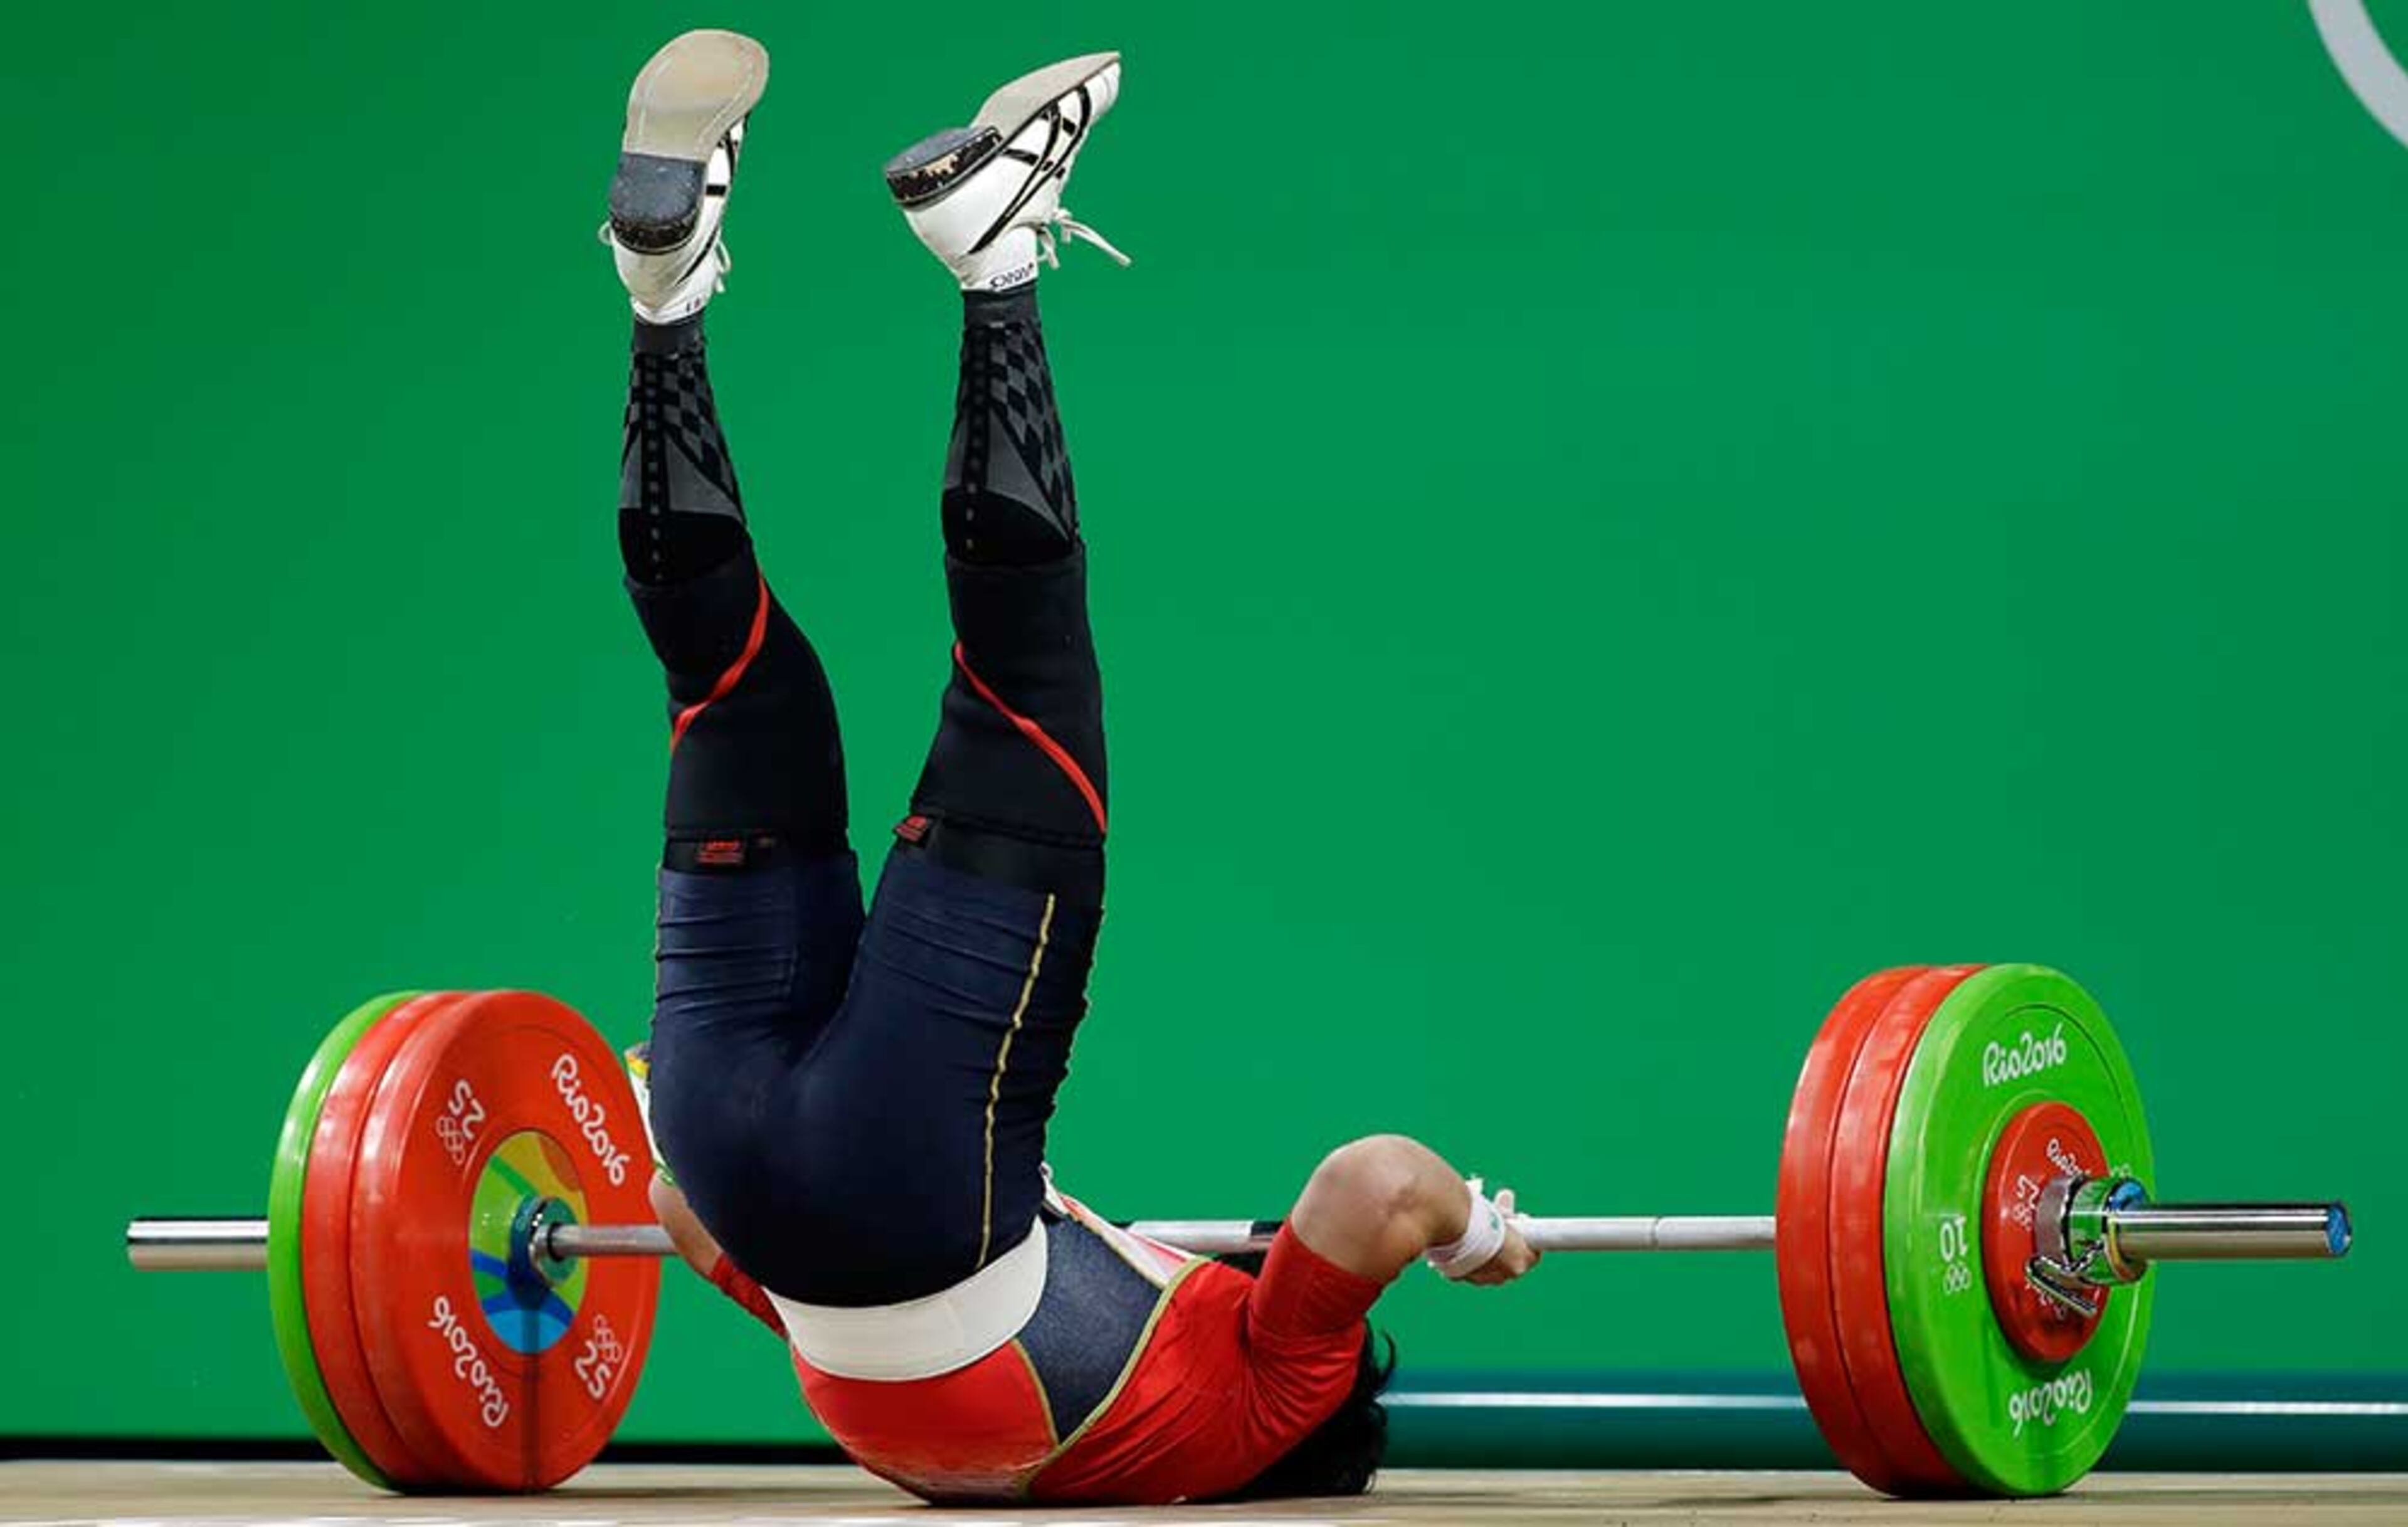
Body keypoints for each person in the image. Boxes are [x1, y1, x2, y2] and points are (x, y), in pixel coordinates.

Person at [602, 30, 1541, 1506]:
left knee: (1020, 685)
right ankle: (661, 303)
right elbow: (669, 1202)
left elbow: (1375, 1185)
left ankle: (994, 265)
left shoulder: (1265, 1396)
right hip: (731, 1155)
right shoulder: (962, 1444)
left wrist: (1477, 1237)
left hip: (918, 1192)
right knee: (729, 693)